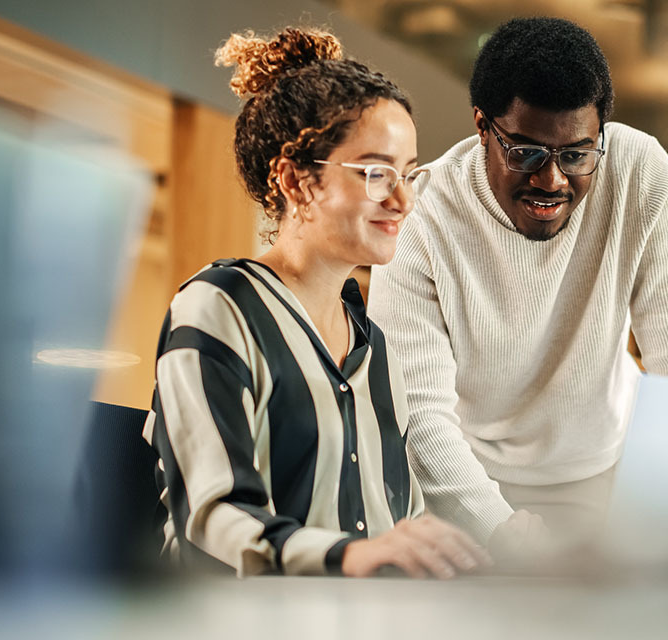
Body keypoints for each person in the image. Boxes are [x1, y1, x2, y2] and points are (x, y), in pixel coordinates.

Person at [142, 26, 489, 578]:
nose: (402, 200)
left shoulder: (377, 351)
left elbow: (401, 524)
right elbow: (211, 519)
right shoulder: (219, 306)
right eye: (377, 173)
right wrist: (348, 556)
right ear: (296, 181)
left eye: (409, 174)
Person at [368, 17, 668, 546]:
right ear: (481, 126)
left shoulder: (638, 171)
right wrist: (502, 533)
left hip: (609, 474)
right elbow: (419, 415)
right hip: (469, 487)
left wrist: (665, 519)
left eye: (576, 155)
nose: (552, 180)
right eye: (526, 153)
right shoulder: (422, 216)